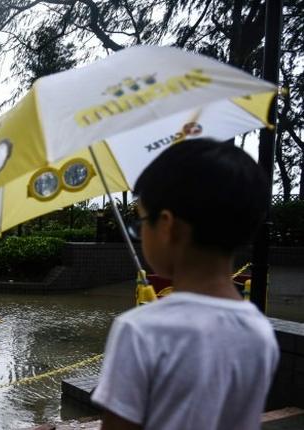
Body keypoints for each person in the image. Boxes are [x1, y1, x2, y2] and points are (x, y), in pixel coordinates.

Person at [91, 138, 279, 430]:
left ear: (167, 226)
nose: (140, 234)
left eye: (141, 222)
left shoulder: (140, 330)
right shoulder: (260, 331)